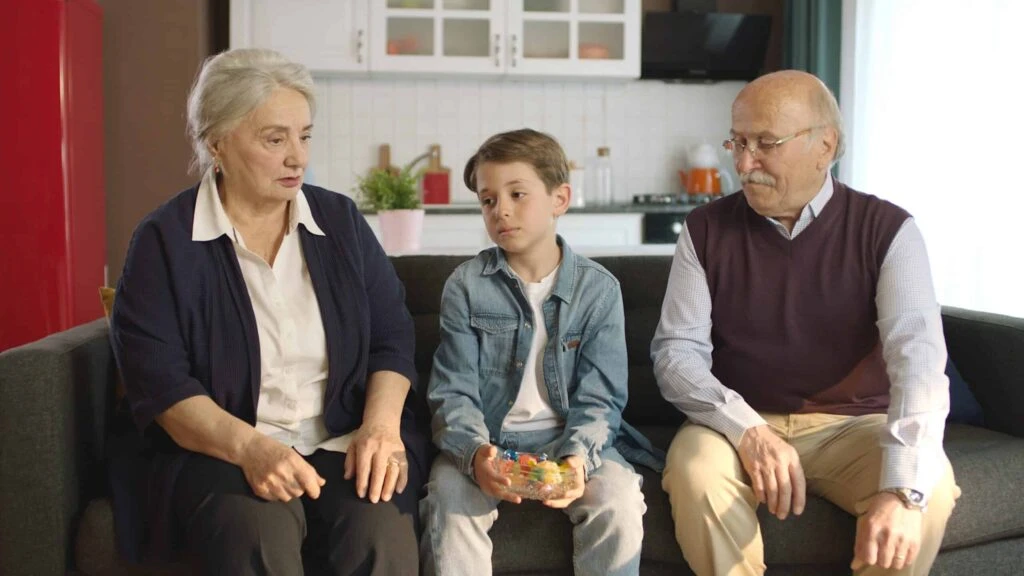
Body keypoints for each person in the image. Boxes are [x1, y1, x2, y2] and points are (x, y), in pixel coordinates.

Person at [109, 48, 429, 575]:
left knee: (380, 529)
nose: (297, 158)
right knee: (256, 529)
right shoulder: (164, 241)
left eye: (305, 136)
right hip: (223, 450)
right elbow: (161, 386)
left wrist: (380, 428)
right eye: (275, 139)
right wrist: (250, 449)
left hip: (341, 437)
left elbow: (392, 337)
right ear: (217, 142)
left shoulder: (340, 221)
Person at [652, 70, 961, 576]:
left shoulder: (888, 230)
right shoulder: (704, 229)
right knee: (695, 470)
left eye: (765, 143)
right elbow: (676, 354)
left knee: (929, 488)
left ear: (825, 146)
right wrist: (748, 429)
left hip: (855, 427)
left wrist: (902, 492)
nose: (744, 163)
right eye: (738, 142)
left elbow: (919, 363)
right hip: (737, 424)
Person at [419, 129, 664, 576]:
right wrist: (475, 453)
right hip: (488, 441)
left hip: (571, 439)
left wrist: (577, 459)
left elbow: (601, 399)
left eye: (517, 194)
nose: (501, 210)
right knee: (450, 498)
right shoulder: (465, 286)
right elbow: (453, 392)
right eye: (488, 200)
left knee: (618, 498)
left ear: (560, 199)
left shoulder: (599, 290)